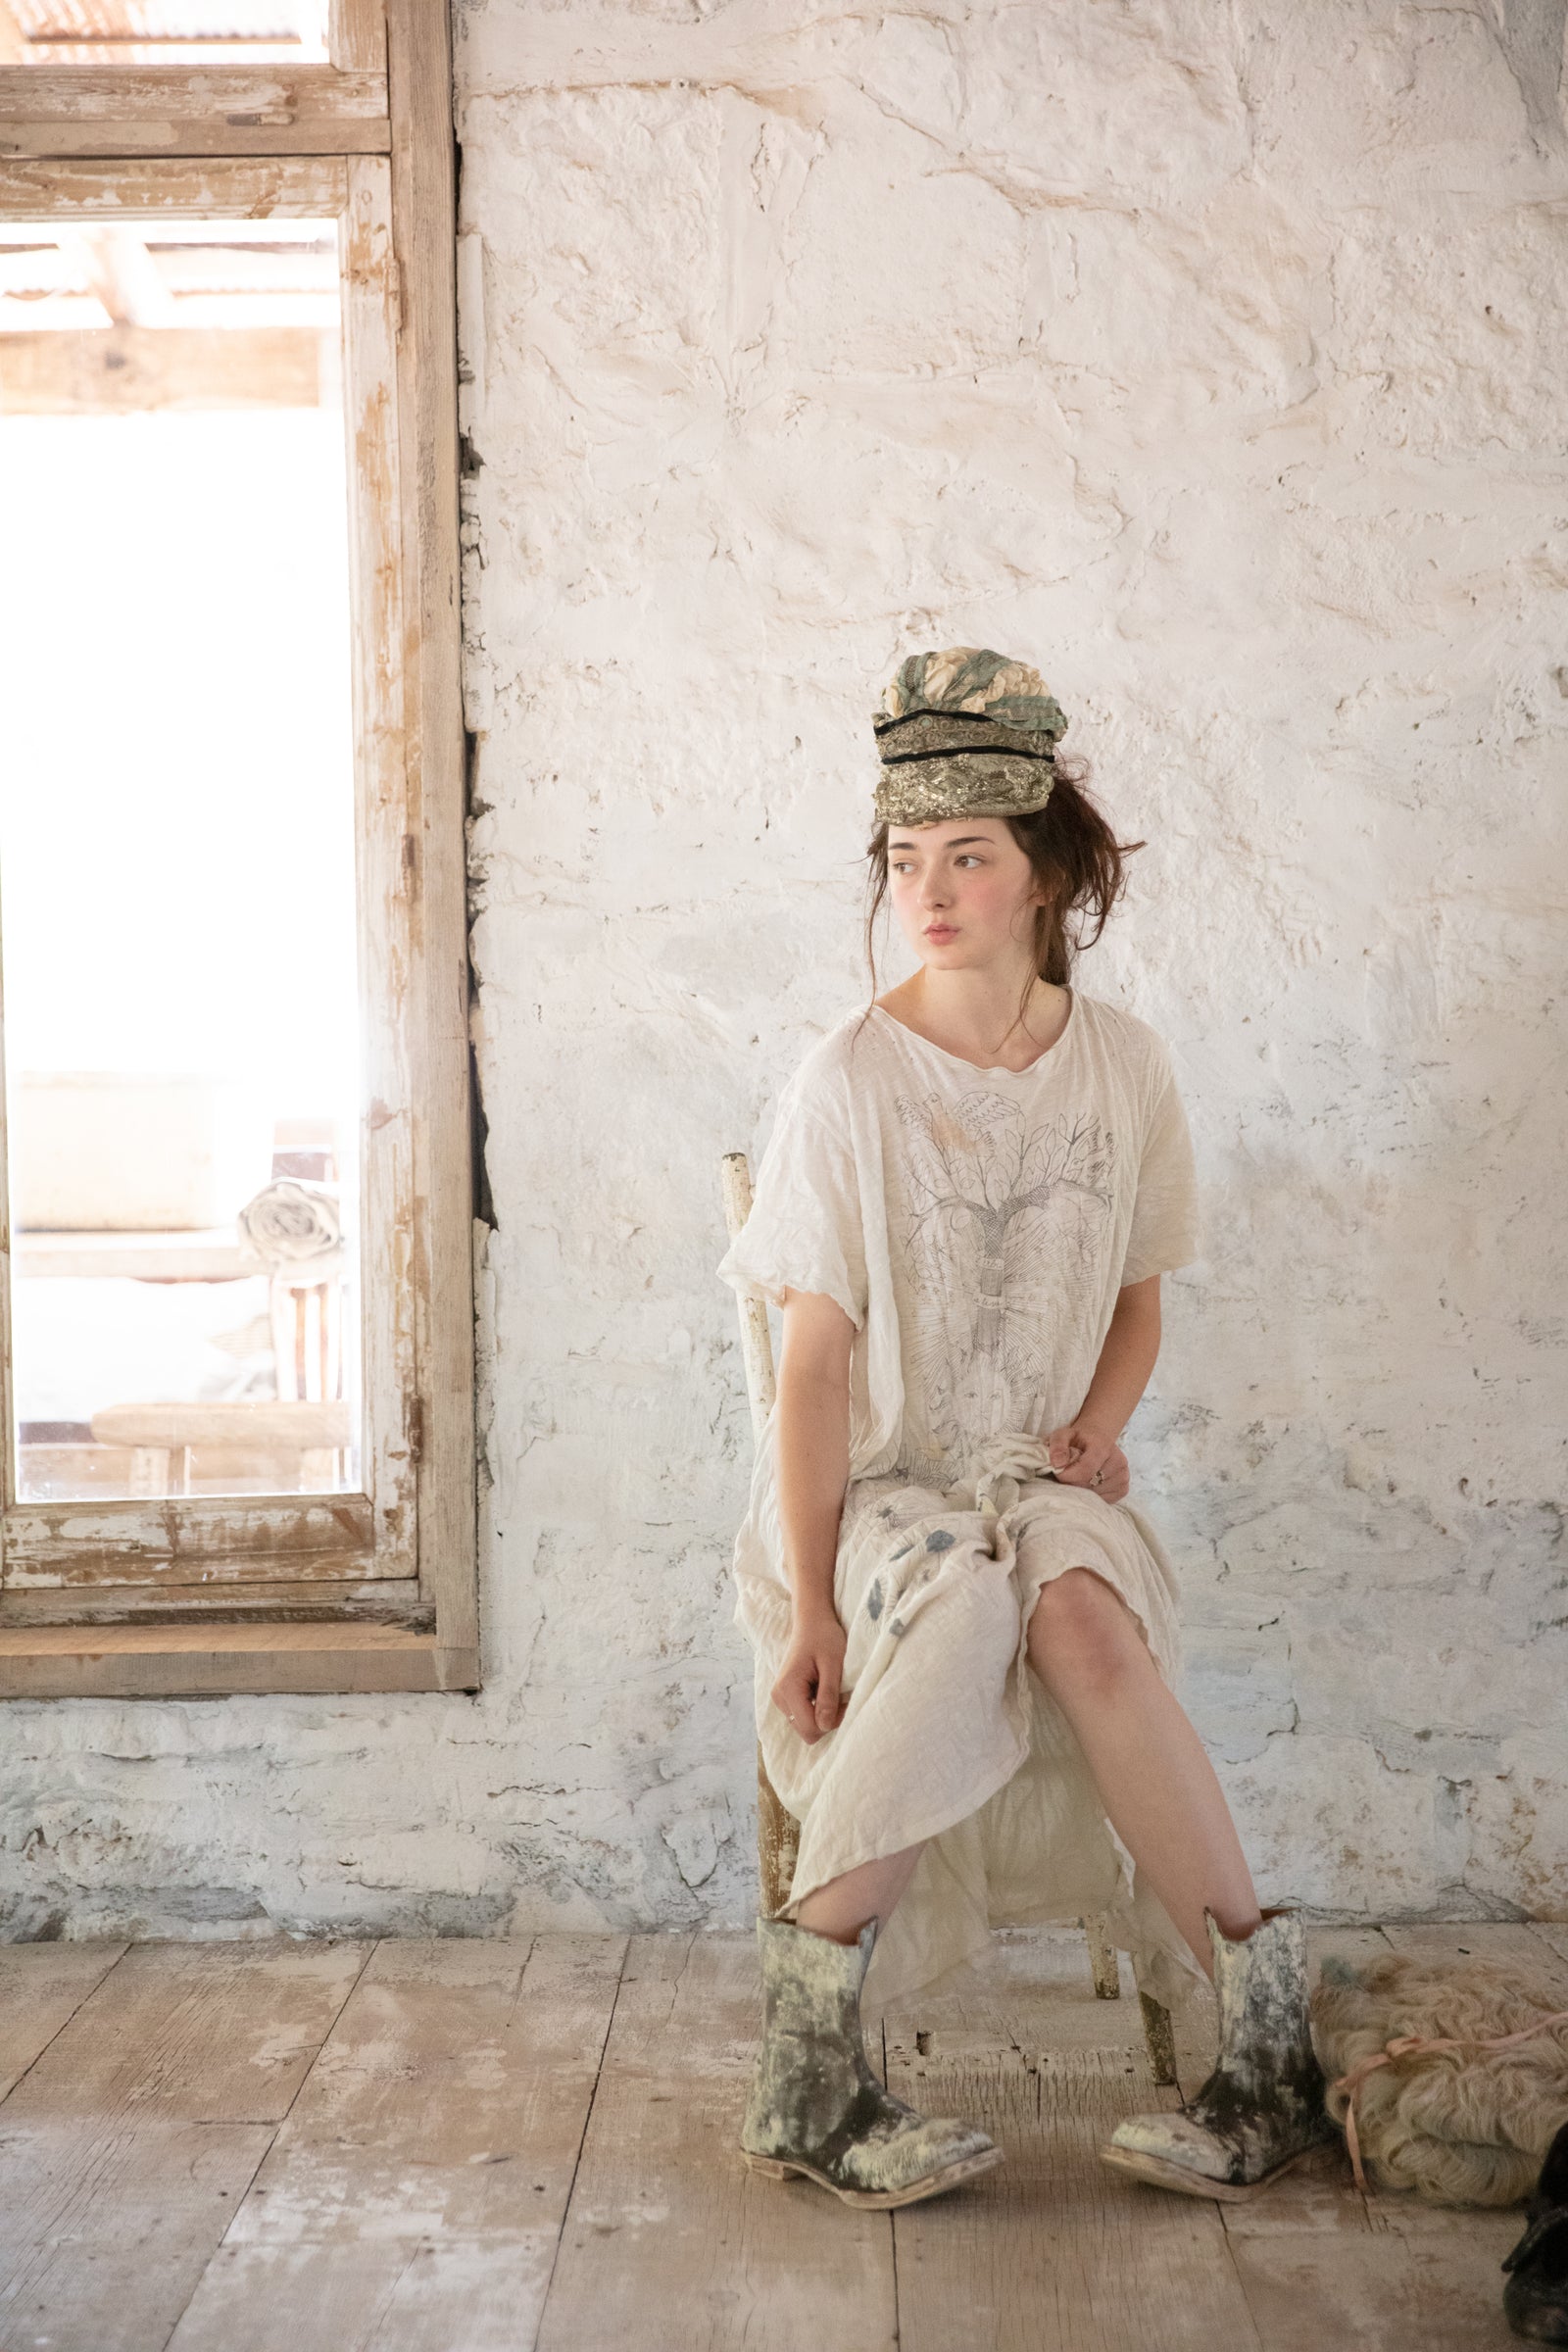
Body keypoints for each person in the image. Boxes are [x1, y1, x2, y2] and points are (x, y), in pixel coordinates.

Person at [716, 646, 1331, 2212]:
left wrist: (1097, 1434)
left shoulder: (1124, 1068)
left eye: (967, 857)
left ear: (1043, 875)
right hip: (878, 1490)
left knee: (1081, 1615)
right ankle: (808, 2078)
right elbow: (812, 1373)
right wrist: (810, 1599)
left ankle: (1268, 2058)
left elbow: (1138, 1301)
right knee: (969, 1601)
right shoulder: (849, 1080)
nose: (927, 892)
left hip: (1028, 1475)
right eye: (905, 860)